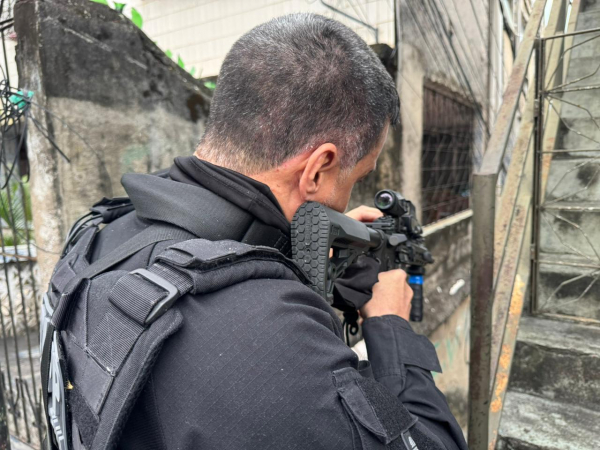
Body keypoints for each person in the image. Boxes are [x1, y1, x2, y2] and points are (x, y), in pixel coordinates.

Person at [48, 13, 467, 450]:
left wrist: (307, 262)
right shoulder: (273, 338)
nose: (346, 202)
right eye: (355, 177)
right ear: (318, 169)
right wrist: (390, 327)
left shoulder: (99, 235)